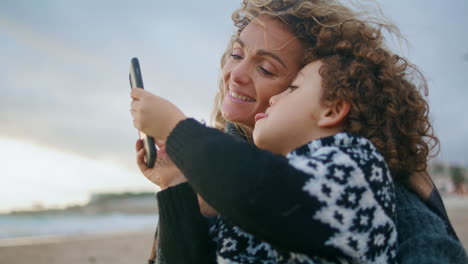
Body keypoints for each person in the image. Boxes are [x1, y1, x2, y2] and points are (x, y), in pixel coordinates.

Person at [132, 0, 467, 263]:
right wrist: (176, 185)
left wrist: (176, 129)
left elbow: (265, 191)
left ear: (333, 104)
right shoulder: (226, 164)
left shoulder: (355, 172)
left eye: (267, 69)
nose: (236, 74)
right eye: (236, 54)